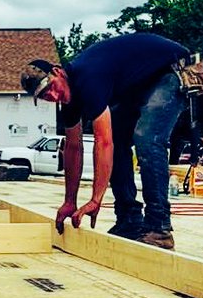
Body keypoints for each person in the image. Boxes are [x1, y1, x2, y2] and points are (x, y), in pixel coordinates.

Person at [20, 33, 191, 249]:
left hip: (174, 70)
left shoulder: (88, 77)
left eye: (51, 88)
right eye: (44, 97)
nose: (52, 96)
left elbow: (103, 143)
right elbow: (73, 148)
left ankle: (159, 228)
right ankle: (129, 220)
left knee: (147, 138)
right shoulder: (69, 99)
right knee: (120, 140)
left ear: (57, 72)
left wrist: (95, 200)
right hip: (139, 84)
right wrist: (69, 201)